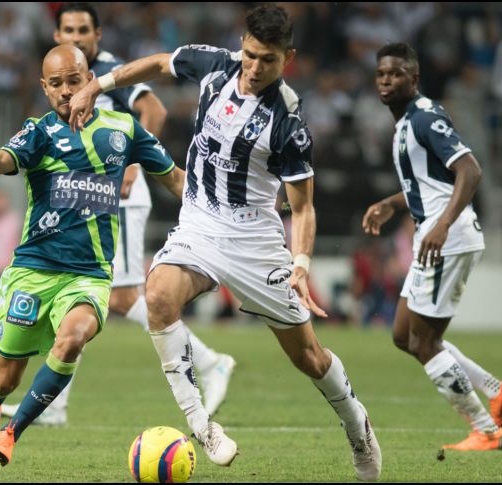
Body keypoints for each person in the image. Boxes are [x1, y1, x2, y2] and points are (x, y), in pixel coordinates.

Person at [68, 5, 382, 480]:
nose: (256, 69)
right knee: (157, 295)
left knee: (308, 357)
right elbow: (156, 64)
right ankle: (202, 425)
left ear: (288, 58)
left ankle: (358, 426)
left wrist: (300, 263)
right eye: (251, 55)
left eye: (269, 61)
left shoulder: (288, 123)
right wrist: (97, 84)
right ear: (242, 44)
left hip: (255, 240)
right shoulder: (214, 65)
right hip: (199, 225)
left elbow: (302, 207)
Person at [0, 2, 235, 427]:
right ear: (57, 37)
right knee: (78, 292)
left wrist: (130, 166)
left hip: (116, 196)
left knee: (120, 295)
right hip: (87, 200)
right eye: (67, 29)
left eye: (83, 30)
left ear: (98, 35)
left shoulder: (108, 71)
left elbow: (155, 112)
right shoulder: (69, 77)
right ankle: (54, 403)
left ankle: (210, 361)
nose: (75, 37)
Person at [0, 44, 184, 470]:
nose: (66, 91)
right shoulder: (38, 132)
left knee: (73, 338)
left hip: (89, 274)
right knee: (6, 377)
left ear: (90, 81)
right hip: (33, 270)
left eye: (74, 81)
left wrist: (222, 200)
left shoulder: (124, 129)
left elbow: (174, 179)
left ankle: (12, 433)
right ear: (45, 89)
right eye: (56, 84)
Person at [363, 42, 502, 454]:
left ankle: (486, 430)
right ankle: (497, 390)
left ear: (413, 79)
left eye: (396, 73)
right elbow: (427, 182)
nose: (386, 80)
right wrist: (391, 203)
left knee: (424, 342)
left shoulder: (425, 117)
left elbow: (469, 170)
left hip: (446, 240)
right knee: (405, 334)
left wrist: (442, 225)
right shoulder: (404, 125)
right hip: (435, 236)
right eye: (381, 73)